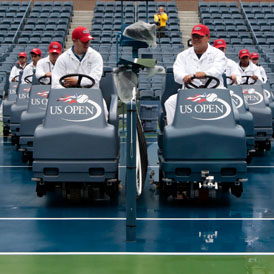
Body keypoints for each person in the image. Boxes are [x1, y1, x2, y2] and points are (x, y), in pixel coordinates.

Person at [165, 24, 226, 125]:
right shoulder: (182, 55)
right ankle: (175, 132)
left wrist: (206, 74)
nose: (196, 39)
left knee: (232, 105)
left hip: (215, 92)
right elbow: (177, 72)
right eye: (194, 37)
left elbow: (218, 69)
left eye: (199, 37)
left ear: (208, 38)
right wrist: (184, 77)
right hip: (190, 92)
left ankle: (228, 131)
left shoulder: (218, 54)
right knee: (170, 102)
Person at [51, 26, 108, 120]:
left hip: (92, 95)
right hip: (68, 96)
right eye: (84, 41)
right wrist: (67, 92)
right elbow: (56, 83)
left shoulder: (96, 56)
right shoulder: (63, 58)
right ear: (74, 41)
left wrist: (77, 82)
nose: (87, 44)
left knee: (104, 114)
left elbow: (95, 78)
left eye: (88, 41)